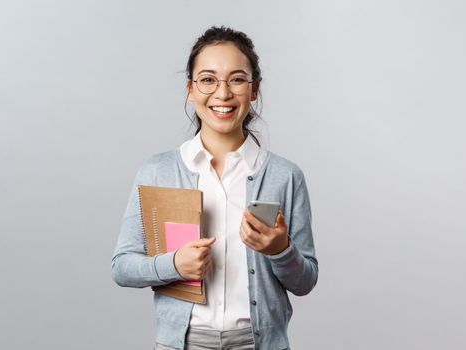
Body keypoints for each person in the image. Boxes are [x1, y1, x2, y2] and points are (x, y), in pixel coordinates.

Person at [111, 26, 318, 350]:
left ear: (254, 90)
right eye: (208, 79)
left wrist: (280, 250)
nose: (222, 94)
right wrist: (174, 265)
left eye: (236, 79)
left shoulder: (284, 175)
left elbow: (305, 281)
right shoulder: (158, 171)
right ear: (190, 89)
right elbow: (122, 267)